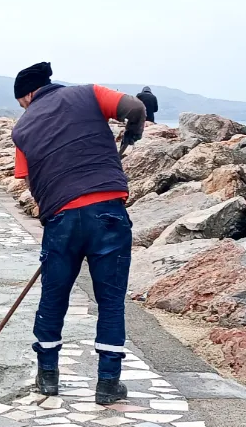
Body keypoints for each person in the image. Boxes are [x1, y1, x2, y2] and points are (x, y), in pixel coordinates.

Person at [11, 62, 146, 405]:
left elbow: (27, 180)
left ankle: (48, 378)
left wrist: (50, 213)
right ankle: (107, 384)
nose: (25, 109)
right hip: (108, 215)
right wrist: (133, 132)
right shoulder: (90, 93)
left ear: (28, 95)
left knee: (54, 298)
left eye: (21, 102)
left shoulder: (22, 129)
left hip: (62, 220)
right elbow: (135, 107)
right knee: (111, 302)